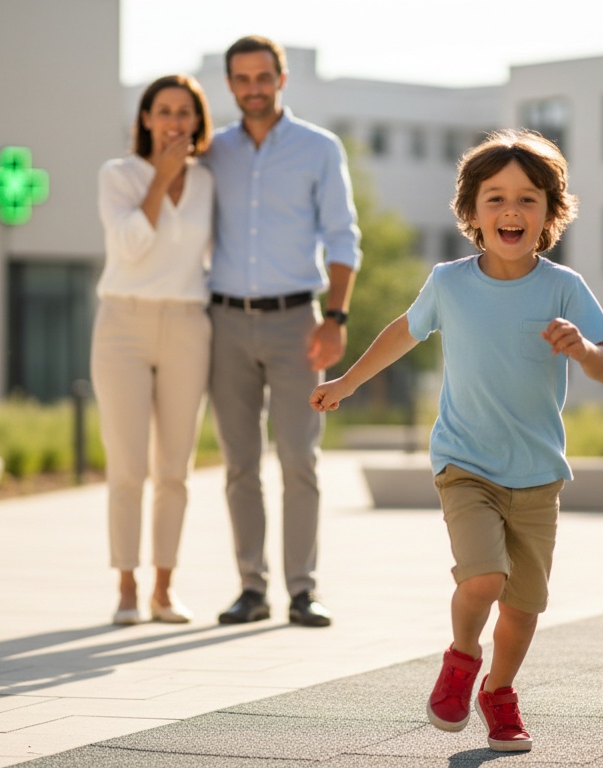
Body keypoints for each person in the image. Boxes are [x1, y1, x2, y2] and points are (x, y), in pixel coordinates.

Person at [310, 129, 603, 751]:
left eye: (528, 199)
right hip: (465, 464)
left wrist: (581, 348)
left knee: (525, 608)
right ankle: (460, 660)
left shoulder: (564, 286)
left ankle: (499, 693)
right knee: (483, 580)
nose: (512, 211)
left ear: (550, 213)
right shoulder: (449, 283)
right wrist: (346, 382)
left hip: (536, 473)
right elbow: (404, 332)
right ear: (472, 212)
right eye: (496, 198)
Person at [201, 35, 361, 628]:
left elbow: (344, 237)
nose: (253, 88)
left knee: (299, 456)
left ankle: (302, 590)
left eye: (263, 76)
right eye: (242, 79)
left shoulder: (319, 148)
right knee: (239, 461)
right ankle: (251, 587)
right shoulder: (211, 152)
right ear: (231, 84)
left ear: (281, 78)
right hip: (223, 322)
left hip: (299, 321)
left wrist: (337, 318)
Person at [93, 74, 214, 626]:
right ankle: (125, 587)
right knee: (126, 465)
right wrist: (160, 179)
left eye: (183, 112)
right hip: (123, 323)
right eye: (162, 110)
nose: (173, 121)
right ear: (145, 118)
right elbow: (130, 246)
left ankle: (163, 591)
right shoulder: (118, 176)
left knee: (174, 467)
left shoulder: (208, 182)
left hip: (188, 323)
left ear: (196, 121)